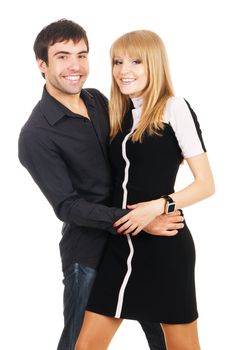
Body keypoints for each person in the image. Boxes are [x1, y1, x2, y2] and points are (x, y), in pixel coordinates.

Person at [18, 20, 184, 350]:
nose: (75, 66)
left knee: (162, 332)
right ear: (42, 65)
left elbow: (131, 149)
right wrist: (137, 219)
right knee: (80, 342)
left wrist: (169, 150)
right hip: (90, 252)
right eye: (63, 56)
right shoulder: (36, 134)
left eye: (82, 55)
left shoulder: (96, 100)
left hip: (138, 242)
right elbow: (68, 206)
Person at [75, 30, 215, 350]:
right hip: (118, 246)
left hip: (164, 248)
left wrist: (156, 207)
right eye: (117, 61)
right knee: (85, 346)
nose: (124, 70)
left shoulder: (174, 107)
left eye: (136, 61)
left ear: (154, 64)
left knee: (182, 346)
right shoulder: (117, 114)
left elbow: (206, 184)